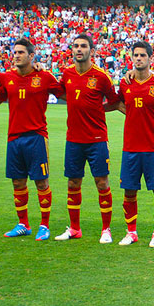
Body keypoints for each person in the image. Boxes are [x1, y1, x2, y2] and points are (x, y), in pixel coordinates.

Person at [54, 33, 121, 244]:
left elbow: (115, 101)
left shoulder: (101, 77)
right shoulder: (67, 74)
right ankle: (74, 229)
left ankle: (106, 230)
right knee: (73, 183)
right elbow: (62, 92)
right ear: (72, 50)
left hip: (97, 139)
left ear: (91, 51)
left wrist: (97, 109)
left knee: (102, 182)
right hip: (73, 139)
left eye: (83, 46)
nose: (79, 49)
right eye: (76, 46)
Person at [0, 38, 63, 241]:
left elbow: (65, 93)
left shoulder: (43, 76)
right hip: (14, 138)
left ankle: (44, 225)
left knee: (41, 182)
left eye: (21, 52)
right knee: (18, 182)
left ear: (31, 56)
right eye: (15, 52)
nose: (16, 55)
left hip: (36, 137)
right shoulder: (6, 77)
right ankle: (23, 224)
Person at [117, 41, 154, 246]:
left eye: (143, 55)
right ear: (131, 58)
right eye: (136, 55)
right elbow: (117, 102)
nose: (139, 58)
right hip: (130, 148)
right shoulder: (125, 83)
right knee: (129, 191)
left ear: (151, 59)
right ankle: (131, 232)